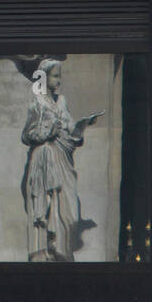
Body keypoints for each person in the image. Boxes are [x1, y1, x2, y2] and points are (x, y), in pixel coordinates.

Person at [20, 59, 101, 262]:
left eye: (59, 76)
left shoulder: (62, 101)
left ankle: (61, 247)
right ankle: (46, 249)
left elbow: (71, 131)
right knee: (46, 205)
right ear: (45, 78)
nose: (59, 80)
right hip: (44, 159)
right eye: (55, 76)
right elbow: (26, 135)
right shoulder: (37, 104)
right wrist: (48, 131)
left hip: (62, 159)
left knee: (69, 210)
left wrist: (81, 127)